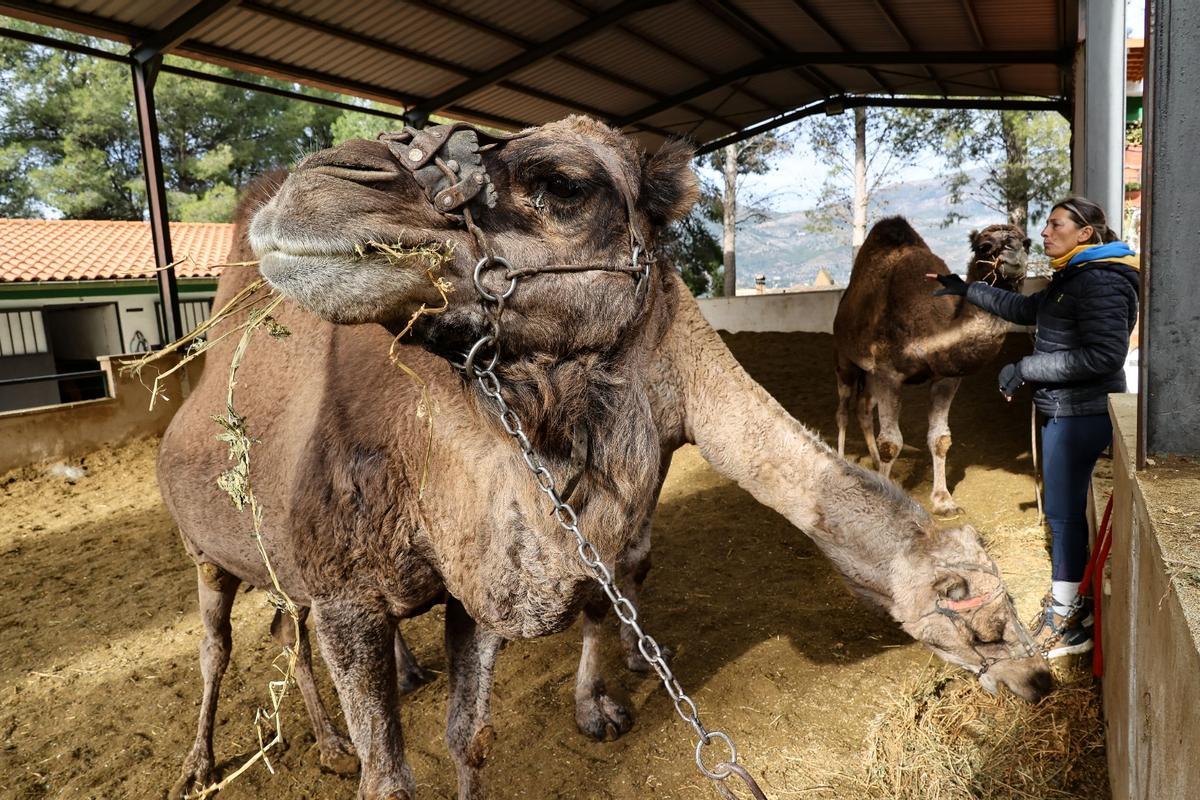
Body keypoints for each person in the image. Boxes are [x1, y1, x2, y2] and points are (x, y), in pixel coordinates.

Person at [930, 196, 1139, 659]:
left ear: (1085, 233)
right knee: (1064, 514)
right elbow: (1026, 310)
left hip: (1079, 412)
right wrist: (967, 289)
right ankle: (1075, 606)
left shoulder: (1101, 281)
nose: (1044, 233)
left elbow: (1105, 357)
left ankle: (1066, 622)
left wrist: (1026, 367)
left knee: (1063, 516)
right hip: (1065, 408)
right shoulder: (1076, 276)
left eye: (1055, 224)